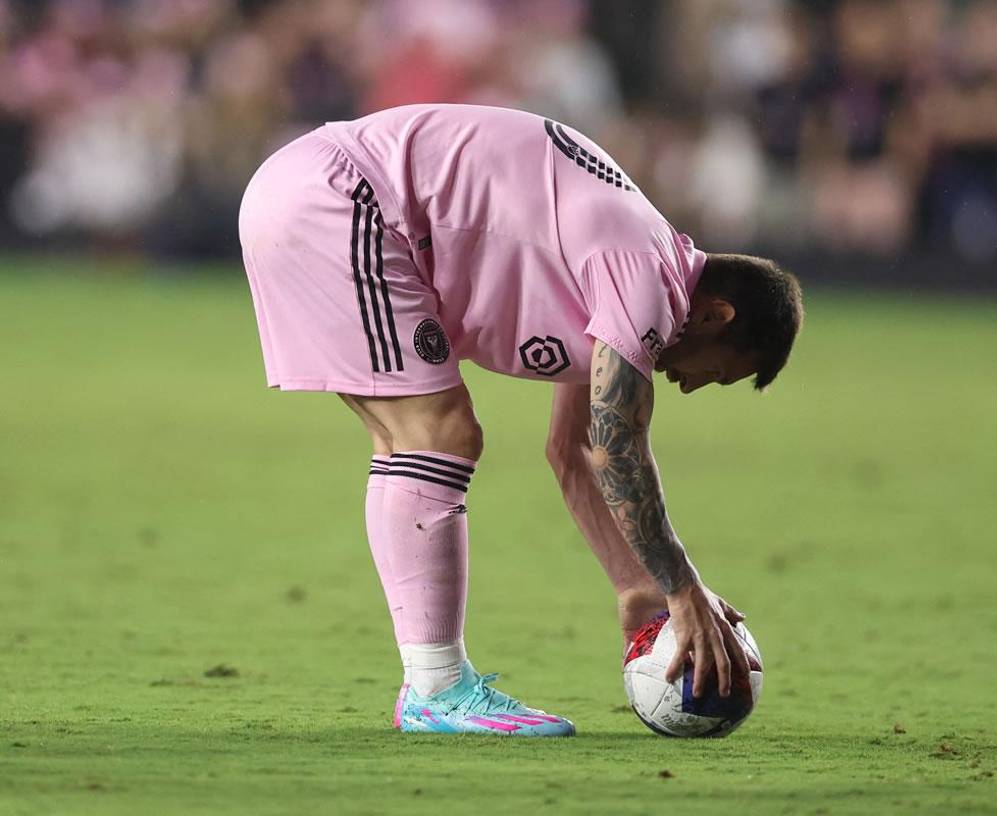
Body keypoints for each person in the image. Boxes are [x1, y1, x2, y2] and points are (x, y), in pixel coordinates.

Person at [238, 104, 803, 736]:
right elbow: (620, 446)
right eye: (716, 373)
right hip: (345, 200)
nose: (691, 385)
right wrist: (682, 588)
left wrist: (638, 589)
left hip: (328, 192)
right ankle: (435, 688)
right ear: (715, 315)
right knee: (436, 435)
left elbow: (576, 450)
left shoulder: (628, 271)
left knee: (418, 439)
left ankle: (432, 687)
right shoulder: (645, 274)